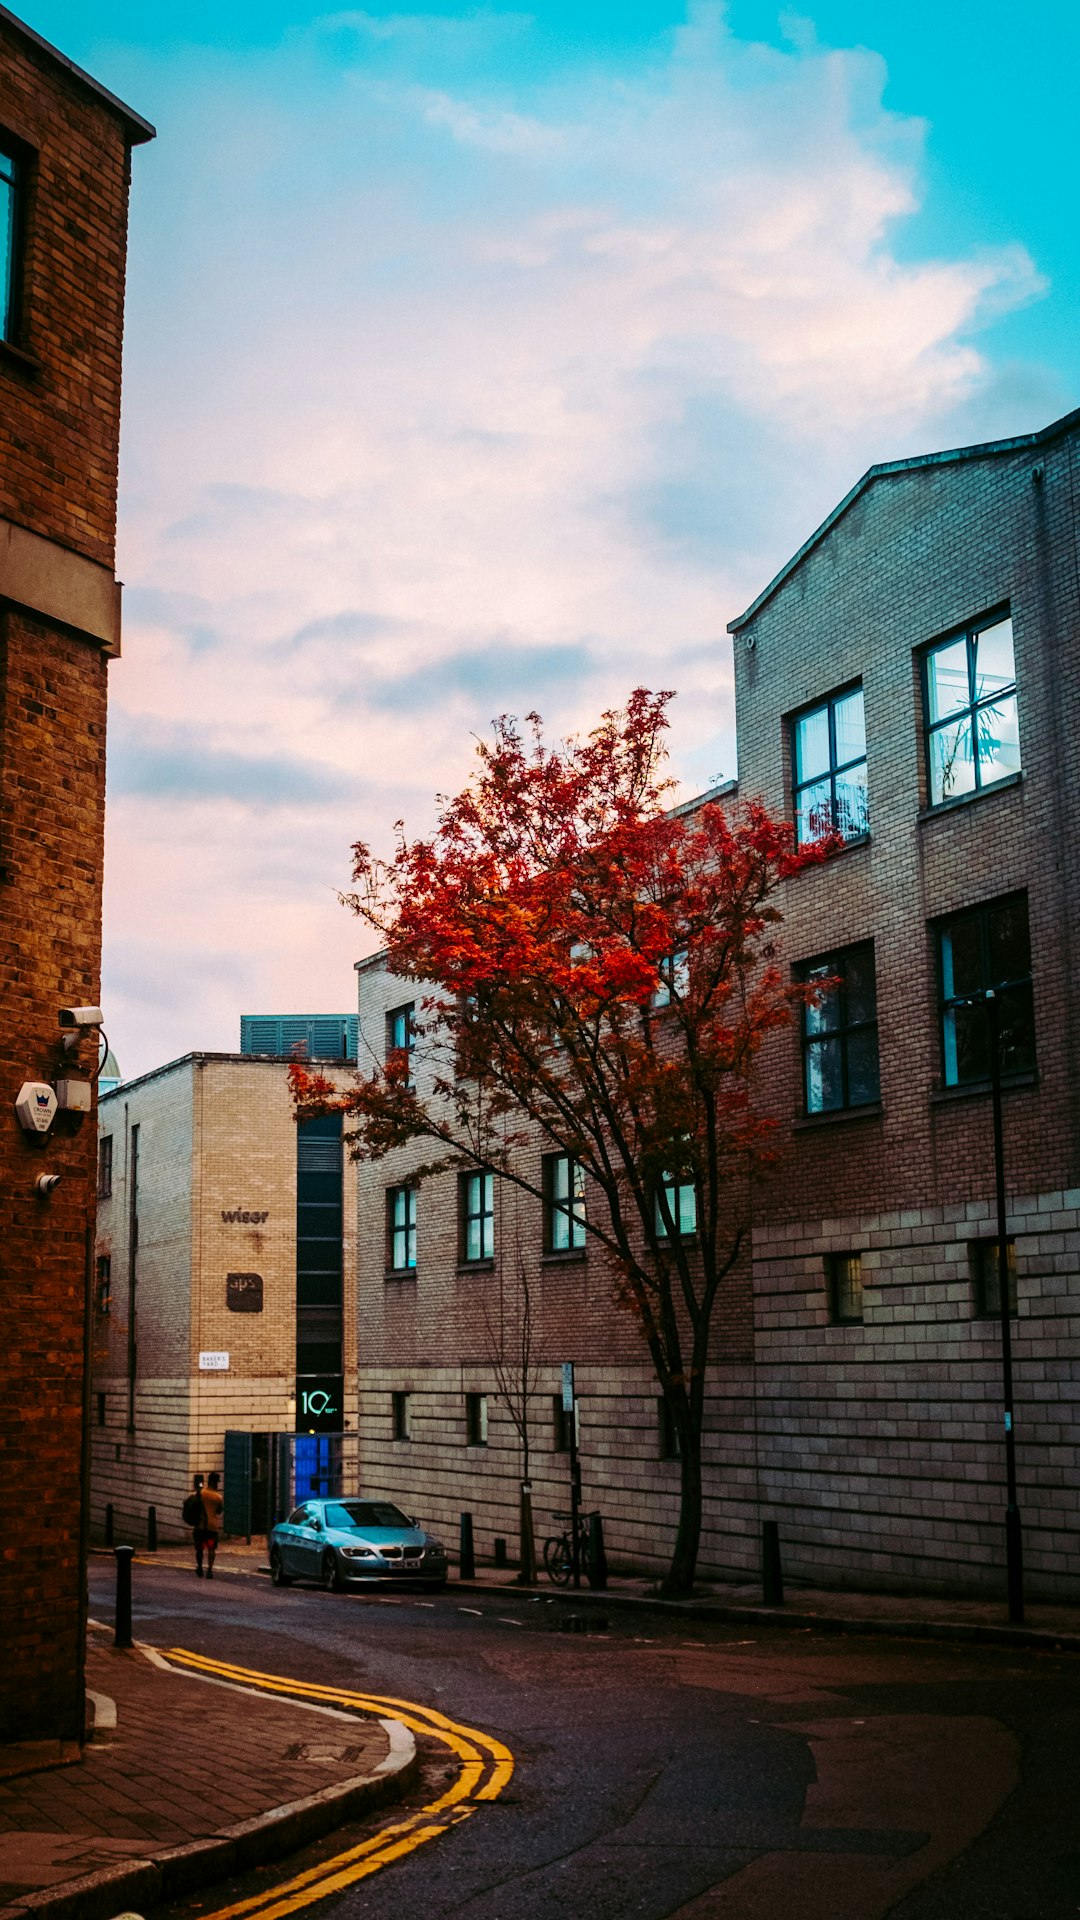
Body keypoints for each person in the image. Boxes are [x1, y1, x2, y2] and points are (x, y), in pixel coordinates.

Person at [193, 1470, 224, 1579]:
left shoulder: (201, 1493)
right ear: (216, 1483)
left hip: (200, 1526)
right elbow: (219, 1511)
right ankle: (210, 1570)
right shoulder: (218, 1497)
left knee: (199, 1548)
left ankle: (200, 1567)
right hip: (212, 1527)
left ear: (208, 1481)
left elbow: (194, 1506)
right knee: (211, 1549)